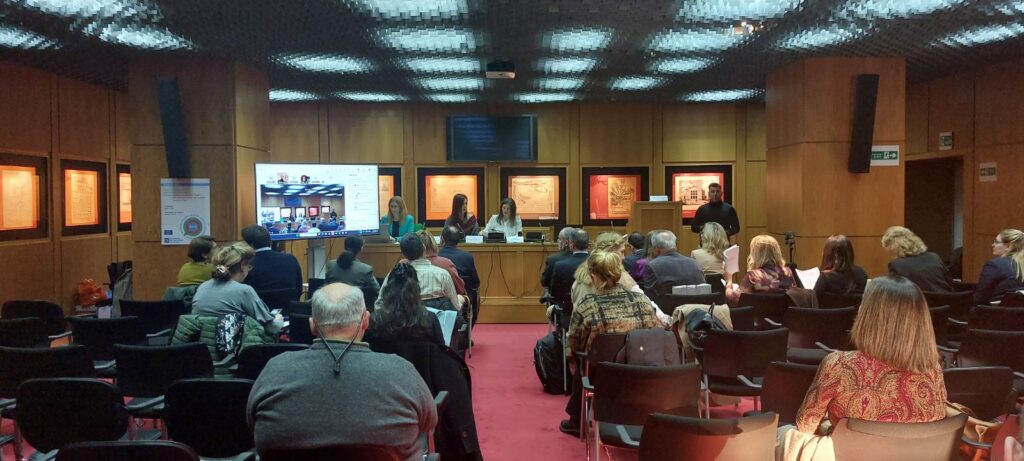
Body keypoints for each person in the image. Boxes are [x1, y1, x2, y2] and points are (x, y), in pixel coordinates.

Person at [247, 283, 437, 461]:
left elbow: (251, 422)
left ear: (312, 325)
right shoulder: (401, 370)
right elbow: (429, 422)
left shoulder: (275, 369)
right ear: (365, 321)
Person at [789, 275, 946, 437]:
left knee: (785, 434)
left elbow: (805, 427)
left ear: (868, 317)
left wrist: (829, 426)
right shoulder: (933, 370)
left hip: (848, 450)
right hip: (916, 451)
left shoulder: (839, 365)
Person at [559, 250, 661, 437]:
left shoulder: (587, 305)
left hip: (601, 373)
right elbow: (652, 332)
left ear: (593, 277)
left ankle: (577, 421)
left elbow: (574, 341)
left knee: (582, 360)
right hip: (641, 367)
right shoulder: (642, 301)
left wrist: (572, 357)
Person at [191, 242, 284, 335]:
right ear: (242, 265)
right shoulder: (243, 290)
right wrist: (279, 319)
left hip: (201, 343)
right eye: (249, 266)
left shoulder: (203, 286)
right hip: (233, 343)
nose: (249, 270)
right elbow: (271, 328)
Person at [365, 263, 445, 347]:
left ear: (387, 289)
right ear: (417, 289)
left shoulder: (375, 320)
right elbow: (441, 350)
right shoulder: (430, 319)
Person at [377, 234, 460, 312]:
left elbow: (380, 305)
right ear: (424, 248)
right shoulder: (443, 275)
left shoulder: (394, 275)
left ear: (403, 254)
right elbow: (456, 307)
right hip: (437, 322)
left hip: (402, 321)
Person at [725, 234, 796, 304]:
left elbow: (733, 299)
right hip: (782, 312)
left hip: (758, 312)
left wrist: (729, 281)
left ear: (756, 254)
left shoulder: (753, 276)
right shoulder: (788, 273)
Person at [882, 226, 953, 292]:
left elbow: (895, 293)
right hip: (949, 300)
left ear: (893, 247)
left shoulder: (897, 265)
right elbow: (949, 281)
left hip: (920, 301)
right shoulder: (933, 257)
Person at [240, 225, 303, 297]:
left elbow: (241, 295)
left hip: (255, 304)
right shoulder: (291, 259)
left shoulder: (245, 265)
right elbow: (299, 290)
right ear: (270, 241)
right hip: (289, 304)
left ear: (250, 244)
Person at [642, 230, 706, 299]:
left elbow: (648, 298)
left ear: (655, 248)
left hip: (668, 306)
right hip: (699, 305)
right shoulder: (694, 263)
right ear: (675, 246)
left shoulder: (653, 266)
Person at [438, 225, 481, 324]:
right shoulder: (467, 257)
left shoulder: (437, 256)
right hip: (462, 296)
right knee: (475, 292)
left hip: (440, 296)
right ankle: (468, 329)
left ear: (442, 239)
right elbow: (476, 283)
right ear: (458, 240)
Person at [549, 228, 590, 327]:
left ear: (571, 245)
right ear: (588, 244)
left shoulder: (560, 266)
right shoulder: (597, 263)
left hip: (568, 313)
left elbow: (554, 292)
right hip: (593, 313)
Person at [325, 235, 380, 307]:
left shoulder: (330, 265)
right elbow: (378, 291)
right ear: (361, 249)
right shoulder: (365, 269)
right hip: (355, 309)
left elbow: (326, 287)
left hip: (333, 308)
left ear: (344, 246)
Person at [975, 229, 1024, 305]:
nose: (993, 245)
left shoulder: (994, 265)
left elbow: (980, 298)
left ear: (1008, 246)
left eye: (996, 242)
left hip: (996, 311)